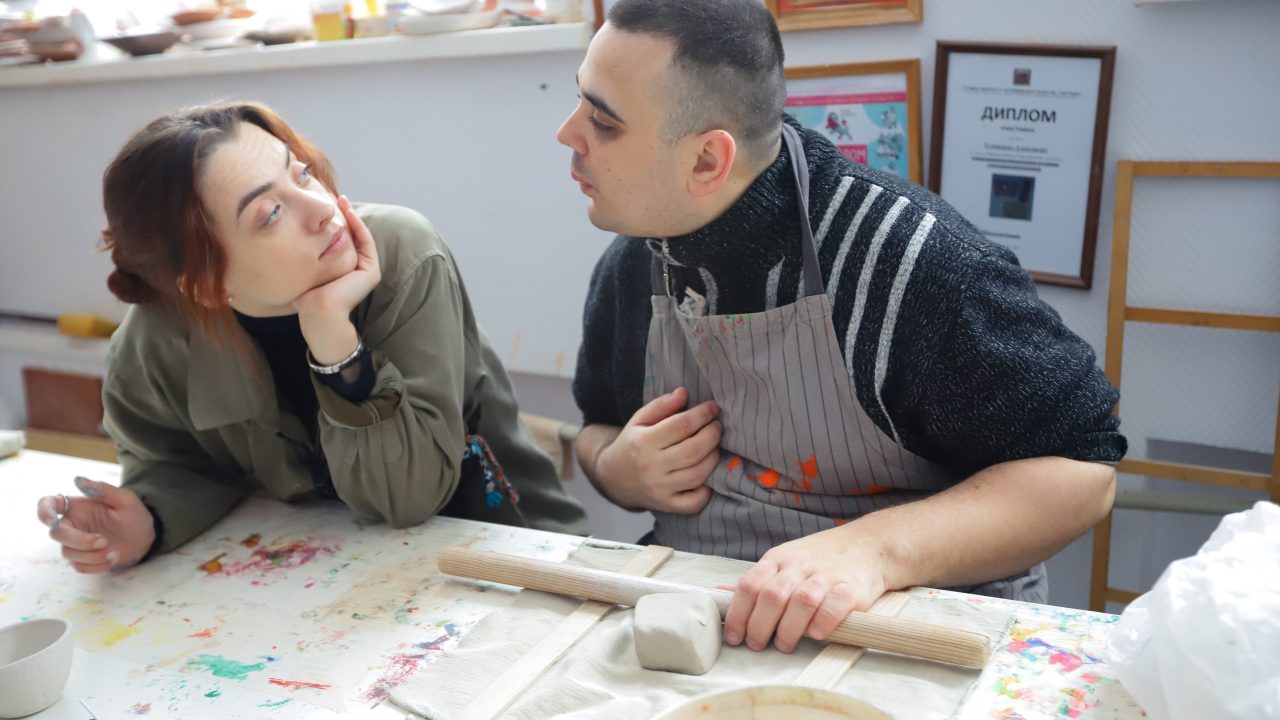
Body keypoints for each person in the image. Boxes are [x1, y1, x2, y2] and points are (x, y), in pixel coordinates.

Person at [559, 0, 1125, 655]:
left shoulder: (912, 263)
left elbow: (1082, 474)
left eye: (603, 121)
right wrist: (615, 468)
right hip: (705, 619)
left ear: (709, 161)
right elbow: (596, 427)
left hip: (904, 635)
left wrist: (872, 550)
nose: (567, 133)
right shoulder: (634, 265)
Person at [36, 101, 587, 573]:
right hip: (329, 581)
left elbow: (406, 500)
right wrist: (149, 518)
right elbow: (178, 463)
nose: (324, 210)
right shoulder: (154, 343)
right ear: (205, 285)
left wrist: (337, 351)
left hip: (513, 558)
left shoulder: (403, 255)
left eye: (300, 175)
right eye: (271, 213)